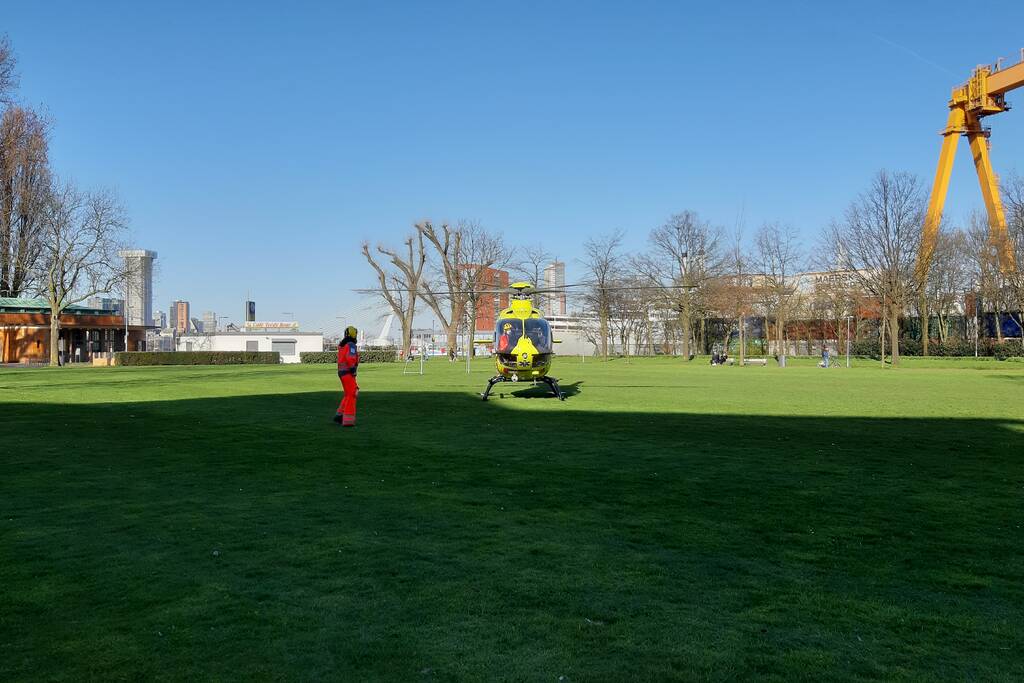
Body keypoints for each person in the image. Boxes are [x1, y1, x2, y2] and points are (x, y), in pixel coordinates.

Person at [334, 326, 359, 427]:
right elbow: (351, 358)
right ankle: (348, 420)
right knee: (353, 394)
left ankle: (339, 415)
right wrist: (353, 369)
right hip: (348, 372)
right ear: (354, 334)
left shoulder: (342, 345)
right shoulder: (351, 345)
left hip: (342, 372)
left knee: (348, 394)